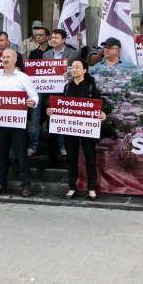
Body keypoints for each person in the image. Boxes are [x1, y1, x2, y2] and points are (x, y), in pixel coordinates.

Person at [48, 59, 106, 200]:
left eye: (77, 67)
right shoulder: (67, 87)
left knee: (90, 158)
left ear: (84, 70)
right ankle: (72, 187)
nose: (74, 69)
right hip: (71, 129)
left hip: (87, 129)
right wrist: (51, 111)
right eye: (72, 67)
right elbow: (61, 106)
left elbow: (99, 109)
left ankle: (91, 188)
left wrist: (102, 115)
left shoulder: (91, 88)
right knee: (72, 158)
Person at [0, 49, 39, 198]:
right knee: (1, 154)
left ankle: (26, 184)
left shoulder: (23, 77)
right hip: (0, 122)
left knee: (21, 154)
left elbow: (34, 95)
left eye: (8, 57)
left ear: (15, 59)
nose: (5, 59)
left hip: (17, 123)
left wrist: (33, 101)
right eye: (3, 57)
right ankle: (1, 183)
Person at [43, 29, 80, 167]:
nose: (53, 40)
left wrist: (70, 75)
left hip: (67, 96)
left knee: (67, 129)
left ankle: (70, 156)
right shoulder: (46, 54)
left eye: (56, 37)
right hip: (51, 97)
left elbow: (78, 71)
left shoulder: (74, 53)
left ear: (63, 40)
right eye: (52, 37)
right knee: (51, 130)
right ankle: (52, 158)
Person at [27, 26, 51, 156]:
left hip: (52, 91)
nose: (38, 37)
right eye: (36, 35)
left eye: (41, 35)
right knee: (34, 120)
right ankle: (33, 146)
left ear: (48, 37)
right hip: (36, 90)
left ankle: (58, 147)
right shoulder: (33, 54)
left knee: (52, 120)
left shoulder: (53, 52)